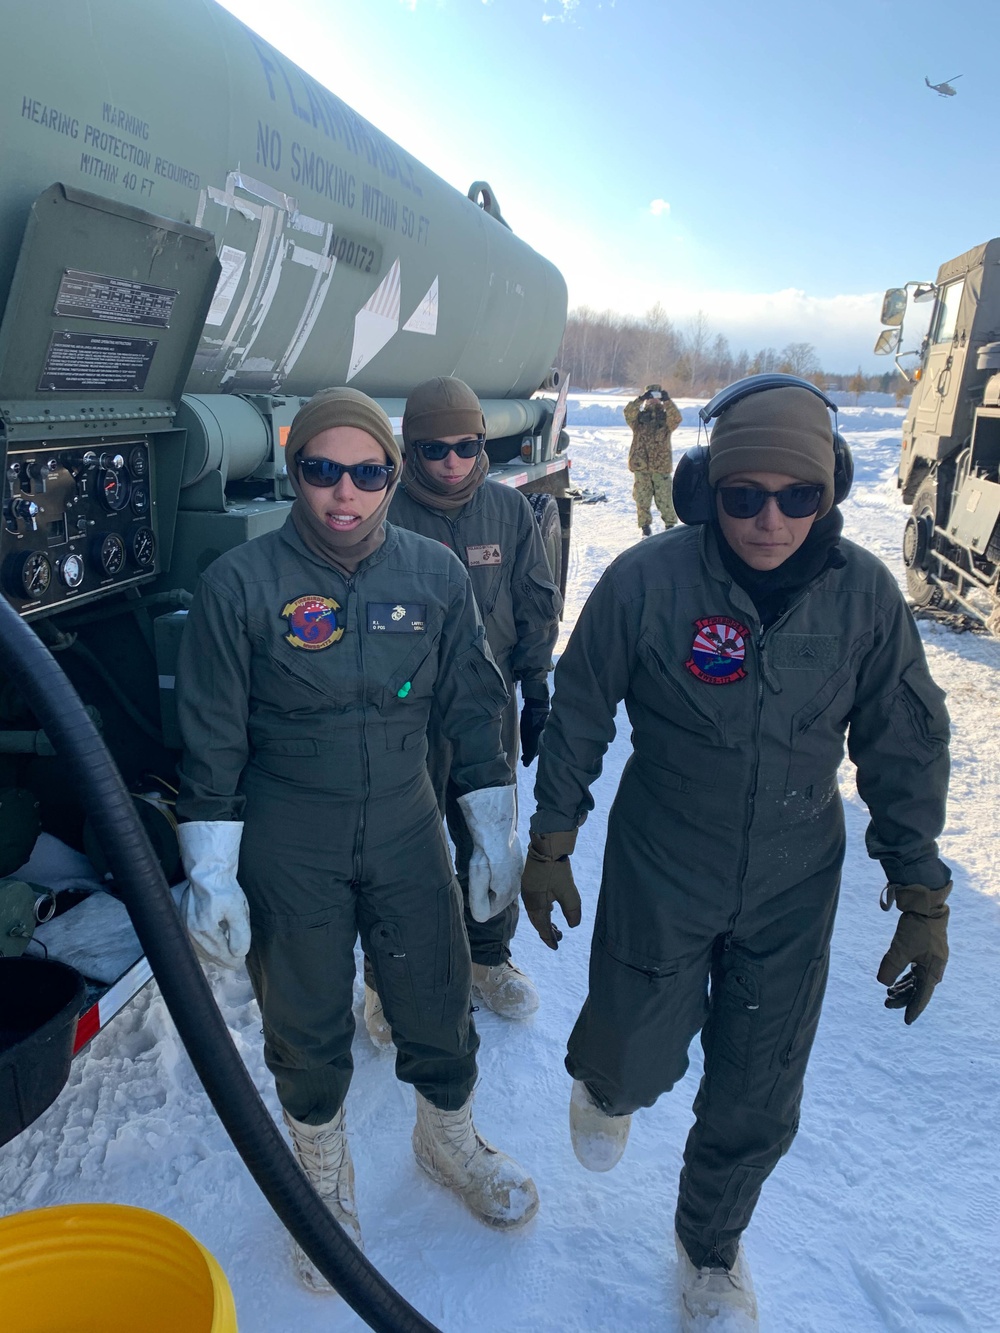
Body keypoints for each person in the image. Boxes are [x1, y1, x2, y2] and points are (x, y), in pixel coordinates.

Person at [519, 376, 951, 1331]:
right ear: (708, 489)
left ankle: (709, 1248)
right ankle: (610, 1086)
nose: (770, 519)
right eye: (743, 496)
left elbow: (903, 744)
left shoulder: (864, 599)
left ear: (830, 491)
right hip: (663, 862)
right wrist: (551, 839)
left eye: (799, 497)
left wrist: (921, 893)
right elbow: (580, 707)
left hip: (793, 883)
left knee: (760, 1086)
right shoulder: (650, 582)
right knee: (631, 1048)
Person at [174, 387, 539, 1295]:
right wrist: (212, 866)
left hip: (409, 819)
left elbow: (471, 700)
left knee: (435, 989)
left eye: (368, 472)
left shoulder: (433, 574)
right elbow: (213, 733)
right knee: (305, 1016)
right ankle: (321, 1177)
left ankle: (447, 1140)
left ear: (393, 473)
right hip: (291, 829)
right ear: (295, 471)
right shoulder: (241, 584)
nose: (345, 493)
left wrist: (492, 821)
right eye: (322, 470)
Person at [361, 375, 561, 1037]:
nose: (453, 462)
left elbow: (535, 604)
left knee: (489, 834)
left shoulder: (507, 512)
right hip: (404, 712)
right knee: (398, 847)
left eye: (467, 446)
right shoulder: (379, 513)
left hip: (487, 705)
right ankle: (388, 981)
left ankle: (488, 959)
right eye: (436, 449)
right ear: (410, 450)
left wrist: (536, 694)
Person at [624, 383, 683, 536]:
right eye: (650, 397)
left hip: (660, 466)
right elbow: (627, 412)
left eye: (656, 397)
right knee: (642, 499)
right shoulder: (639, 418)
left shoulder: (666, 418)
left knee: (665, 498)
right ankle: (645, 527)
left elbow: (677, 419)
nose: (653, 400)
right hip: (641, 466)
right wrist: (640, 399)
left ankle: (670, 526)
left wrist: (667, 401)